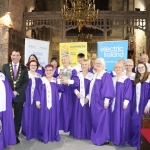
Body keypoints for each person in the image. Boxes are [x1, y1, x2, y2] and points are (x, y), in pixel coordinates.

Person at [2, 50, 29, 144]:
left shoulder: (24, 68)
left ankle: (15, 135)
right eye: (13, 55)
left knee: (17, 117)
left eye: (17, 55)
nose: (15, 57)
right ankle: (6, 134)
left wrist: (17, 92)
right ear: (11, 56)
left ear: (20, 57)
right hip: (7, 97)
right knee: (7, 116)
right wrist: (10, 92)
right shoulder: (5, 67)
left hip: (19, 96)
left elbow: (26, 82)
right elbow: (3, 81)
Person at [88, 58, 115, 145]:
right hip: (94, 101)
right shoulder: (95, 74)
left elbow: (108, 88)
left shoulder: (105, 75)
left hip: (101, 101)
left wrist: (106, 101)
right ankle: (96, 136)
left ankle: (104, 138)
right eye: (96, 63)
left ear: (103, 64)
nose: (98, 64)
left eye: (100, 63)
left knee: (103, 119)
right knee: (95, 119)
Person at [34, 65, 64, 143]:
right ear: (45, 71)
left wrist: (60, 81)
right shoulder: (41, 80)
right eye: (47, 70)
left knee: (54, 118)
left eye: (50, 70)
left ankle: (53, 135)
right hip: (44, 104)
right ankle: (44, 135)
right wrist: (37, 102)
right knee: (44, 119)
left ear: (53, 71)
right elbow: (37, 91)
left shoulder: (55, 80)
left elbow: (61, 89)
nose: (48, 72)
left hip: (54, 104)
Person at [55, 54, 79, 132]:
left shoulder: (73, 70)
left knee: (67, 109)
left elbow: (76, 82)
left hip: (68, 91)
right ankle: (59, 126)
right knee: (59, 108)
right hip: (59, 90)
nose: (63, 61)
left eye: (65, 59)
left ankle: (67, 127)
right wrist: (57, 78)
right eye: (62, 59)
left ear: (69, 60)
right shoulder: (58, 69)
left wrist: (68, 81)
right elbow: (52, 78)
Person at [70, 59, 93, 139]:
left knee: (86, 116)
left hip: (87, 99)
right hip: (78, 98)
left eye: (85, 64)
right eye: (82, 64)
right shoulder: (77, 75)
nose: (84, 66)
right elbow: (73, 86)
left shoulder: (92, 76)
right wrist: (77, 92)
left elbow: (93, 88)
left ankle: (86, 133)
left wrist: (88, 97)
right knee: (78, 114)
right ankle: (77, 133)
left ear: (88, 66)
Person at [111, 62, 132, 146]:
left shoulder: (126, 79)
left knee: (121, 121)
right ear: (114, 68)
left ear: (122, 68)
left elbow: (128, 91)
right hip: (113, 103)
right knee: (114, 120)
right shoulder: (112, 78)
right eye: (116, 67)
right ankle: (114, 138)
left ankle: (120, 139)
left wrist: (126, 102)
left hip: (122, 103)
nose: (118, 69)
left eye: (119, 67)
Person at [130, 62, 150, 150]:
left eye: (142, 67)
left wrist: (148, 105)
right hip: (137, 104)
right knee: (136, 122)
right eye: (139, 68)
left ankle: (144, 144)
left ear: (146, 68)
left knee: (144, 124)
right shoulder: (137, 78)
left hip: (145, 104)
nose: (141, 69)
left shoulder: (149, 78)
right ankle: (136, 141)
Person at [21, 60, 41, 140]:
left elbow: (40, 89)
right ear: (29, 66)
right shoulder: (25, 75)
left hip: (36, 99)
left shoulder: (39, 76)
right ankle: (27, 132)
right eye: (32, 65)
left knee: (35, 115)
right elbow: (22, 88)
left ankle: (34, 132)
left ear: (37, 66)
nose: (33, 66)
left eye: (35, 65)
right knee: (27, 114)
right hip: (27, 98)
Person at [0, 72, 16, 149]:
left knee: (4, 123)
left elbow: (9, 91)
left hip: (4, 105)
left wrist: (11, 106)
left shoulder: (3, 76)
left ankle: (3, 141)